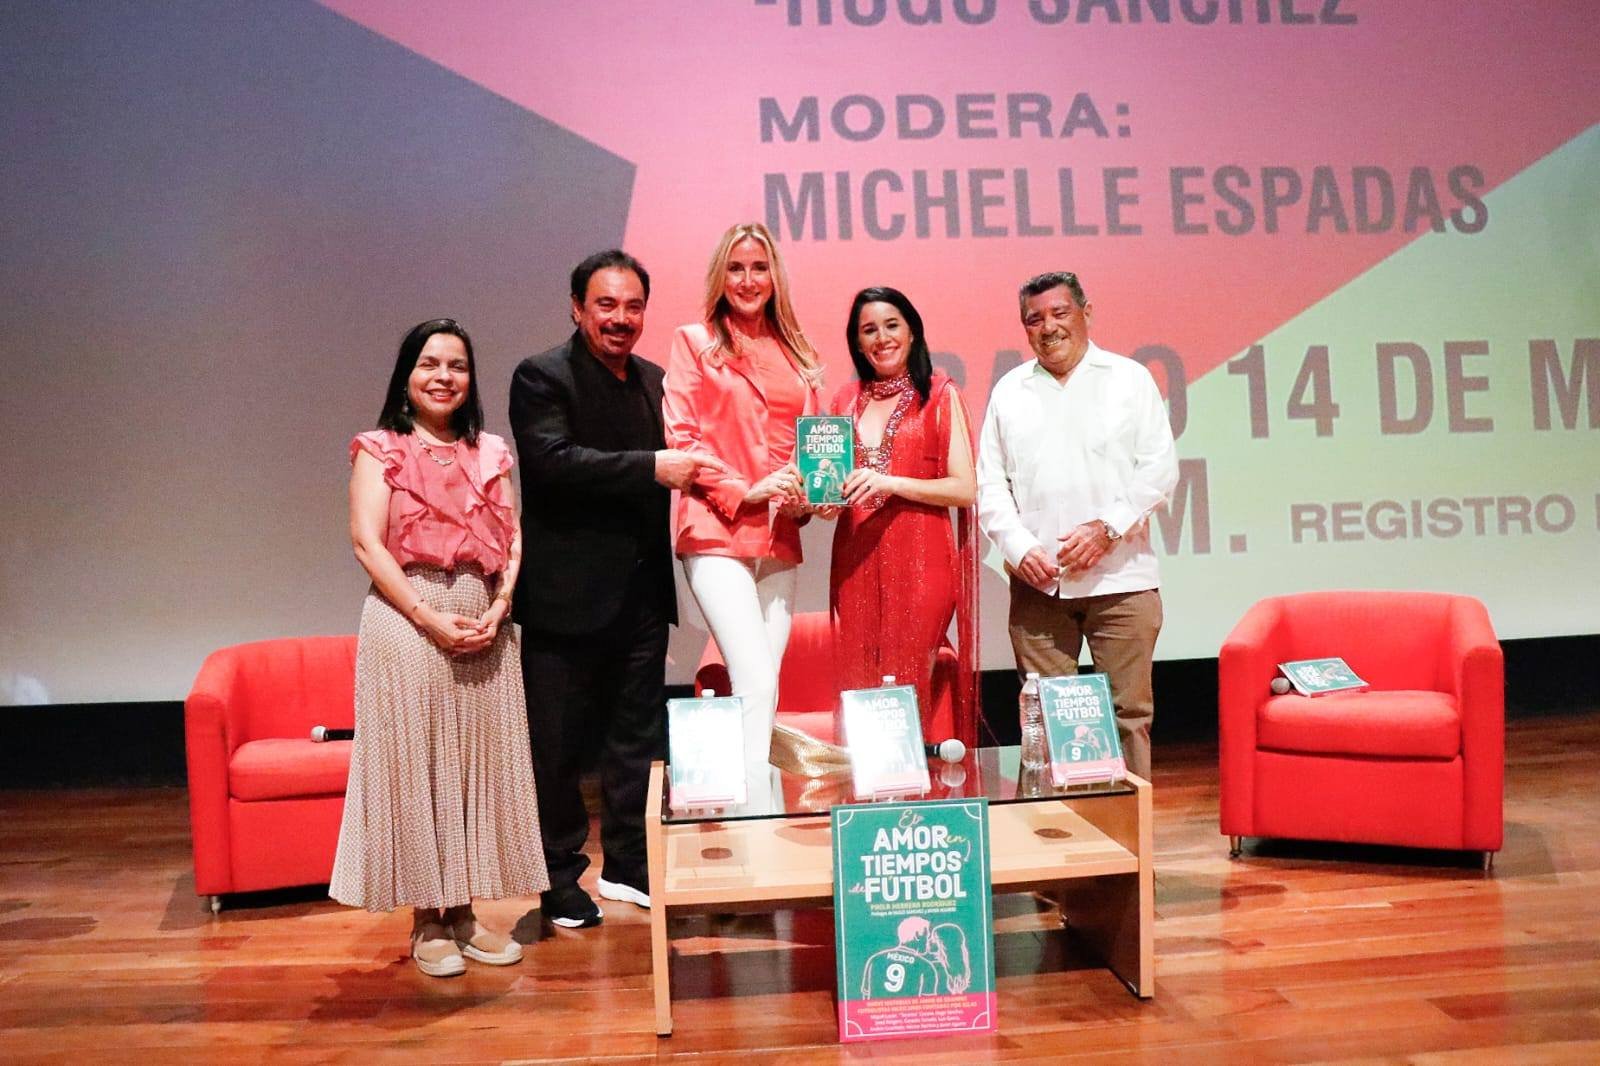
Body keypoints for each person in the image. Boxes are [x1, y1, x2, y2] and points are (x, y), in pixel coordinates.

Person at [331, 318, 548, 978]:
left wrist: (500, 608)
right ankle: (428, 918)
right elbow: (367, 542)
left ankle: (466, 913)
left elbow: (513, 539)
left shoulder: (492, 452)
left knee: (477, 767)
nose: (443, 376)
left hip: (482, 617)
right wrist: (427, 617)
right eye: (429, 364)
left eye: (457, 365)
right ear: (407, 375)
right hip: (408, 616)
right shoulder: (380, 448)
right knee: (419, 765)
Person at [510, 250, 717, 929]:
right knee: (558, 748)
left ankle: (630, 863)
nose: (620, 318)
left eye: (633, 306)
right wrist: (653, 466)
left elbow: (698, 457)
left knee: (636, 739)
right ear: (577, 308)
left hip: (641, 596)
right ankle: (556, 878)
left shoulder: (657, 381)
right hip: (564, 600)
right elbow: (552, 463)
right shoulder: (542, 375)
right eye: (606, 305)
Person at [975, 271, 1178, 780]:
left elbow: (1159, 470)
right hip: (1039, 586)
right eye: (1034, 319)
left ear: (1087, 313)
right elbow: (990, 484)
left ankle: (1131, 828)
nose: (1048, 327)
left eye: (1060, 313)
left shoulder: (1129, 379)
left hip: (1122, 582)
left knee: (1128, 717)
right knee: (1046, 722)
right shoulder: (1010, 391)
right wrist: (1018, 547)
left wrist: (1107, 529)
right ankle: (1057, 826)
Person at [662, 222, 823, 792]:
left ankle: (746, 804)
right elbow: (682, 438)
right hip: (716, 528)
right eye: (736, 268)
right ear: (720, 277)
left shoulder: (798, 353)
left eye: (759, 268)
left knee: (764, 683)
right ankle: (757, 813)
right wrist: (745, 490)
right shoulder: (694, 342)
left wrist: (808, 499)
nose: (748, 280)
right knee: (754, 678)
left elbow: (808, 450)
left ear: (774, 276)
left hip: (779, 539)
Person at [821, 287, 979, 747]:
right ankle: (862, 788)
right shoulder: (843, 401)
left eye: (892, 325)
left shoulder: (940, 395)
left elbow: (964, 489)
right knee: (858, 682)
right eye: (869, 330)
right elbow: (832, 488)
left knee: (907, 683)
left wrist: (891, 483)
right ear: (857, 341)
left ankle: (909, 785)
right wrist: (824, 501)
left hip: (922, 562)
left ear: (912, 332)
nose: (882, 338)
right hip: (855, 562)